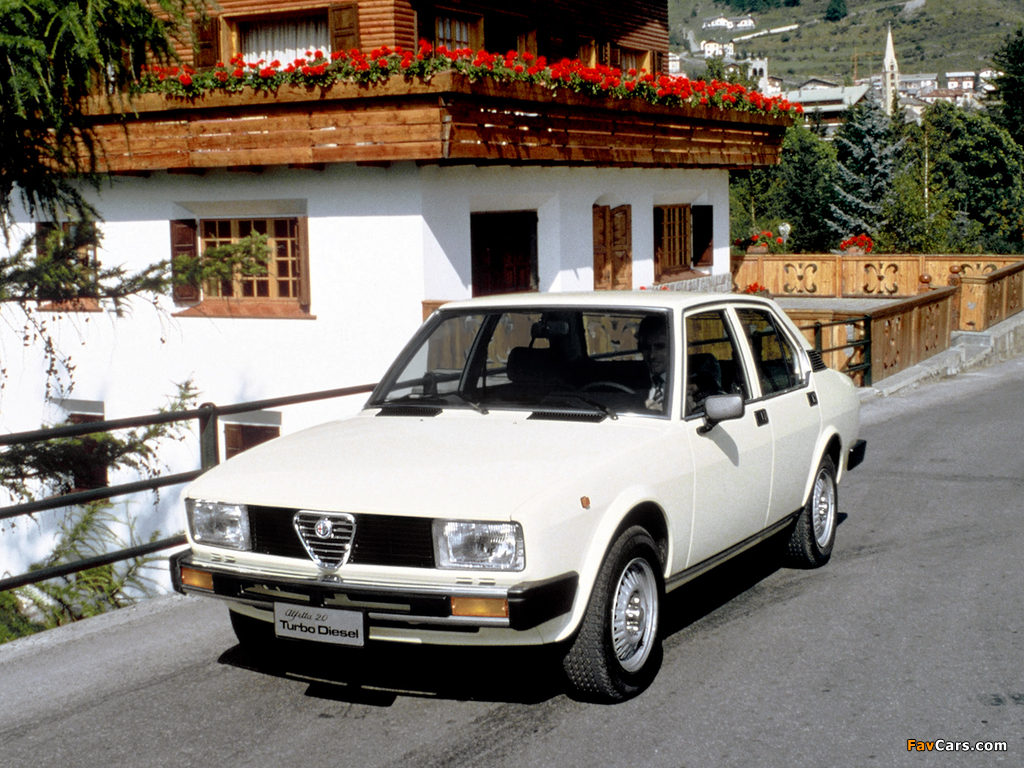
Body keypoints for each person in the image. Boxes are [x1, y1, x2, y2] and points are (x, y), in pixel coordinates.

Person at [636, 315, 668, 411]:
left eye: (660, 347)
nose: (652, 355)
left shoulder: (688, 384)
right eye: (646, 348)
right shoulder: (632, 381)